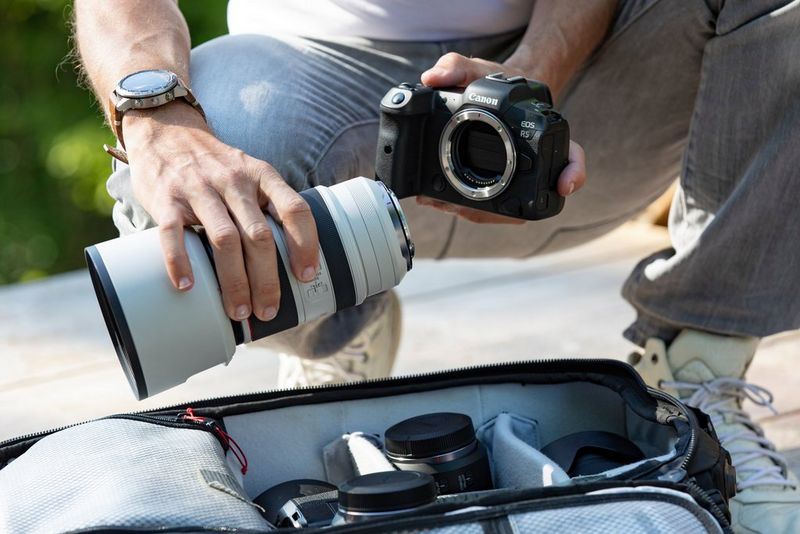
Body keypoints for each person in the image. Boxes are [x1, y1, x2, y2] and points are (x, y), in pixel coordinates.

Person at [74, 1, 799, 531]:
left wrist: (527, 84)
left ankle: (699, 370)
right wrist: (158, 119)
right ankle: (336, 319)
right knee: (179, 217)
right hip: (313, 87)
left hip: (587, 104)